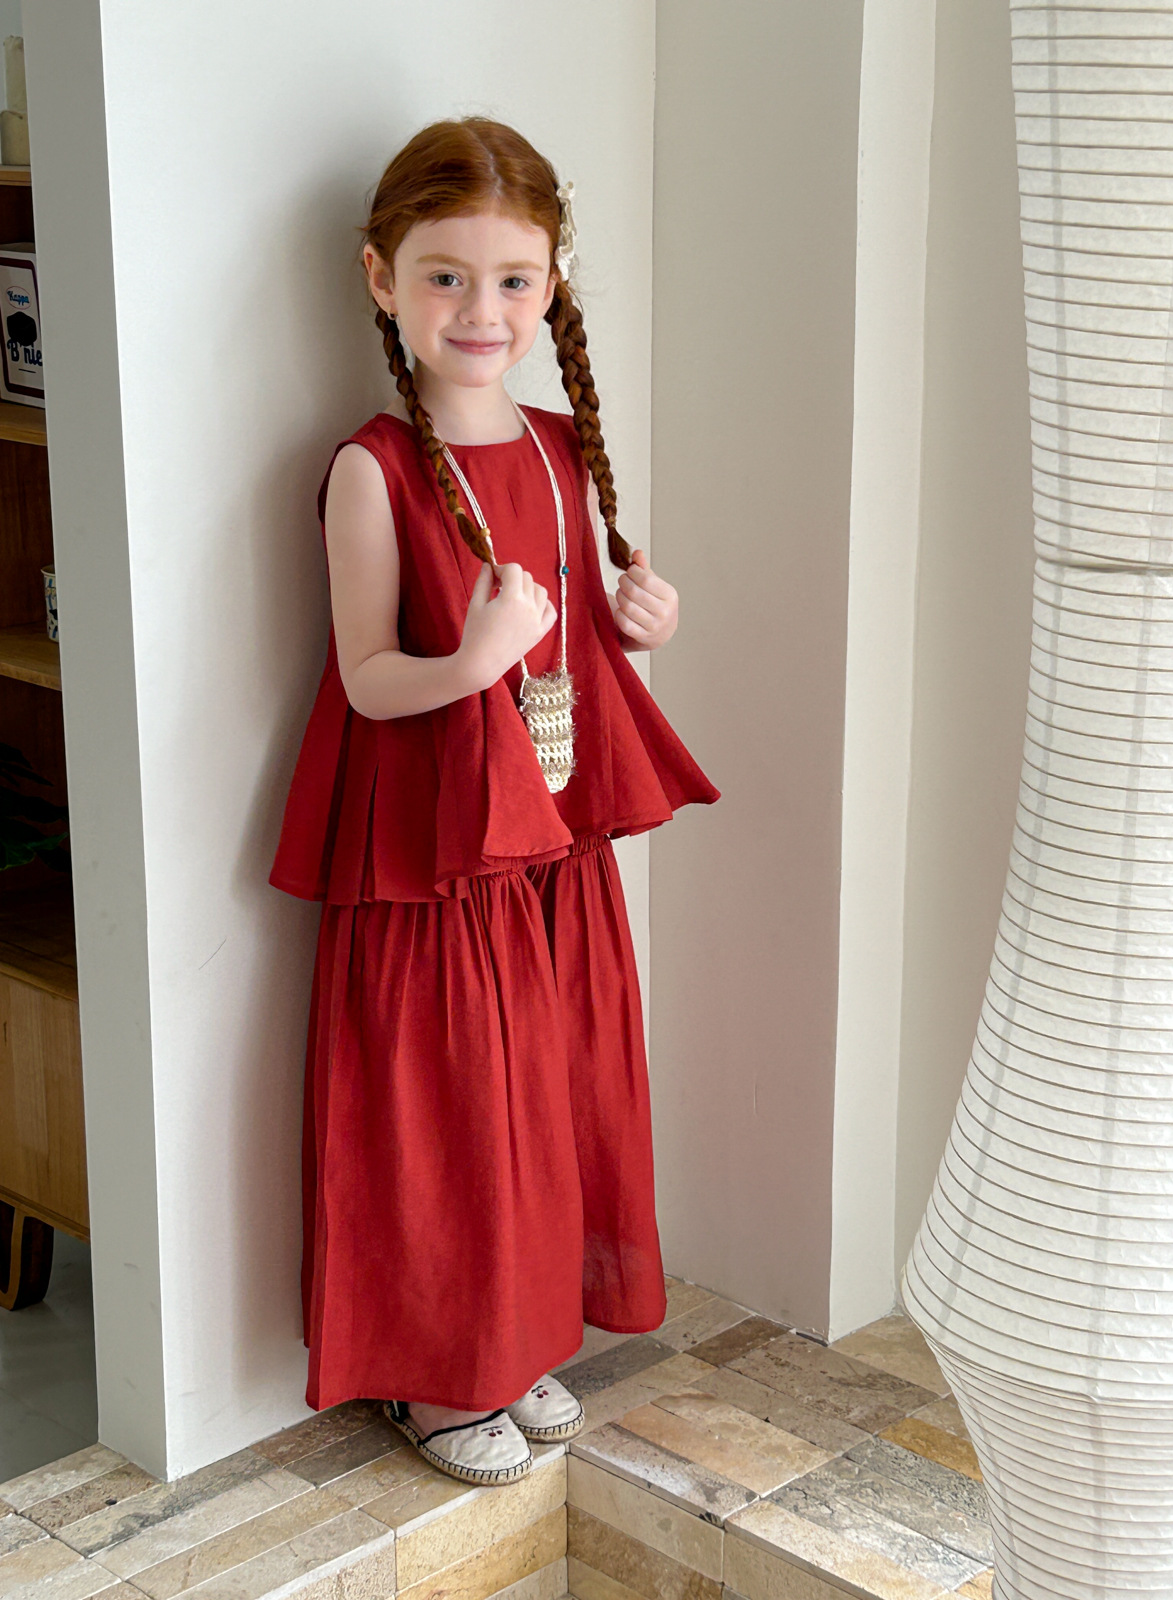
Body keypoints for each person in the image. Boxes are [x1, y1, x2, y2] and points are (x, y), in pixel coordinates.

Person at [270, 116, 720, 1487]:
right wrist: (470, 663)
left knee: (548, 1100)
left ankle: (513, 1337)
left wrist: (638, 624)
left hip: (550, 844)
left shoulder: (560, 448)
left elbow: (565, 631)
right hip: (438, 857)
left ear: (551, 285)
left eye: (513, 279)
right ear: (381, 279)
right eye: (446, 276)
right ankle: (435, 1373)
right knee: (452, 1115)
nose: (482, 309)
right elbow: (368, 679)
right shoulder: (373, 469)